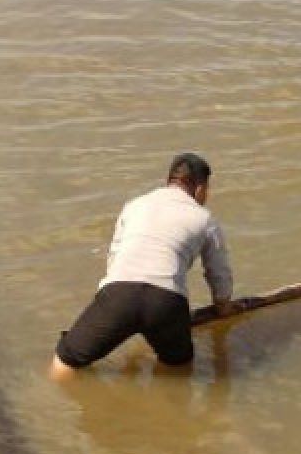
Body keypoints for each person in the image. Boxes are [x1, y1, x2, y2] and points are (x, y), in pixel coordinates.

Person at [49, 153, 236, 380]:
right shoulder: (204, 219)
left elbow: (114, 256)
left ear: (171, 180)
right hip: (166, 302)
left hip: (119, 296)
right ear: (199, 188)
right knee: (178, 368)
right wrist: (223, 307)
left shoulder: (134, 206)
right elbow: (219, 274)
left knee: (65, 361)